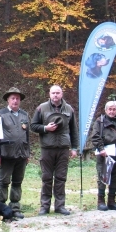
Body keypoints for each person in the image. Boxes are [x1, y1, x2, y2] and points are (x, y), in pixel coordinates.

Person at [31, 85, 78, 215]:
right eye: (53, 93)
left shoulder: (69, 109)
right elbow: (33, 126)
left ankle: (60, 206)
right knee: (46, 178)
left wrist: (74, 148)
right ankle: (44, 206)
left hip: (63, 148)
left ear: (61, 94)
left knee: (61, 178)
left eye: (58, 93)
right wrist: (46, 128)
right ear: (49, 94)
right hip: (47, 148)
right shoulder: (42, 108)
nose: (55, 95)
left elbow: (74, 130)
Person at [0, 87, 31, 220]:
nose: (15, 101)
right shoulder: (0, 114)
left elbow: (27, 136)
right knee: (3, 182)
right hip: (6, 155)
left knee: (17, 182)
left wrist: (28, 153)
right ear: (8, 100)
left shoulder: (24, 115)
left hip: (21, 155)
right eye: (12, 98)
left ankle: (15, 208)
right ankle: (1, 208)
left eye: (17, 98)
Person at [91, 101, 116, 211]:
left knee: (115, 177)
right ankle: (100, 201)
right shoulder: (100, 121)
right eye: (109, 109)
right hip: (104, 154)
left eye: (114, 109)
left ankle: (111, 201)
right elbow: (95, 137)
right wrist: (101, 149)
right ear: (105, 110)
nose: (112, 111)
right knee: (103, 177)